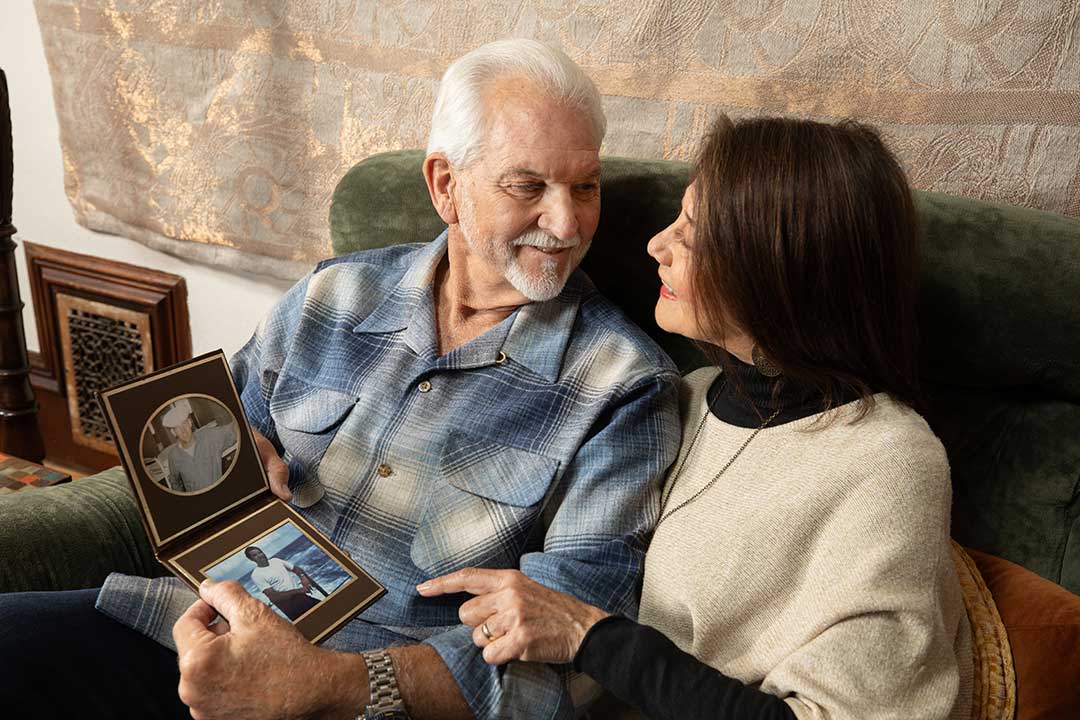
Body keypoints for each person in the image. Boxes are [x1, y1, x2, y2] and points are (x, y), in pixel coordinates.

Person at [0, 39, 680, 720]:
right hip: (195, 632)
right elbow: (192, 458)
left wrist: (324, 683)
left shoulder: (624, 387)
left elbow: (574, 653)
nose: (567, 223)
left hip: (372, 697)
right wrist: (215, 454)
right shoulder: (335, 293)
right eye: (529, 186)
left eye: (583, 186)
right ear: (446, 185)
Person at [418, 116, 974, 720]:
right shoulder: (688, 395)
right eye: (675, 219)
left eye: (694, 234)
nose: (657, 245)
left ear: (779, 266)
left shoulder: (888, 462)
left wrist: (590, 636)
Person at [158, 403, 237, 492]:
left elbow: (233, 429)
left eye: (184, 424)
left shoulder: (209, 437)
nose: (183, 431)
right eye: (178, 428)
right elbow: (176, 484)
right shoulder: (173, 456)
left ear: (190, 423)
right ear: (173, 432)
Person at [243, 546, 321, 621]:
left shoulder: (276, 561)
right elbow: (274, 597)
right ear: (252, 559)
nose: (259, 556)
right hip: (289, 605)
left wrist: (303, 577)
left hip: (302, 597)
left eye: (259, 552)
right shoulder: (256, 575)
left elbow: (296, 569)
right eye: (255, 555)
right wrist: (299, 590)